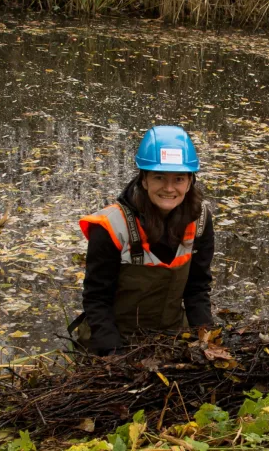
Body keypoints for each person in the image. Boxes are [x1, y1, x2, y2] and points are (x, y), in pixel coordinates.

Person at [72, 125, 214, 356]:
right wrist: (115, 354)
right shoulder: (110, 225)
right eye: (159, 177)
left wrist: (207, 339)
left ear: (189, 182)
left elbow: (197, 289)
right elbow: (96, 299)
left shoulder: (200, 221)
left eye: (178, 179)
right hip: (113, 336)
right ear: (144, 179)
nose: (169, 188)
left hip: (171, 335)